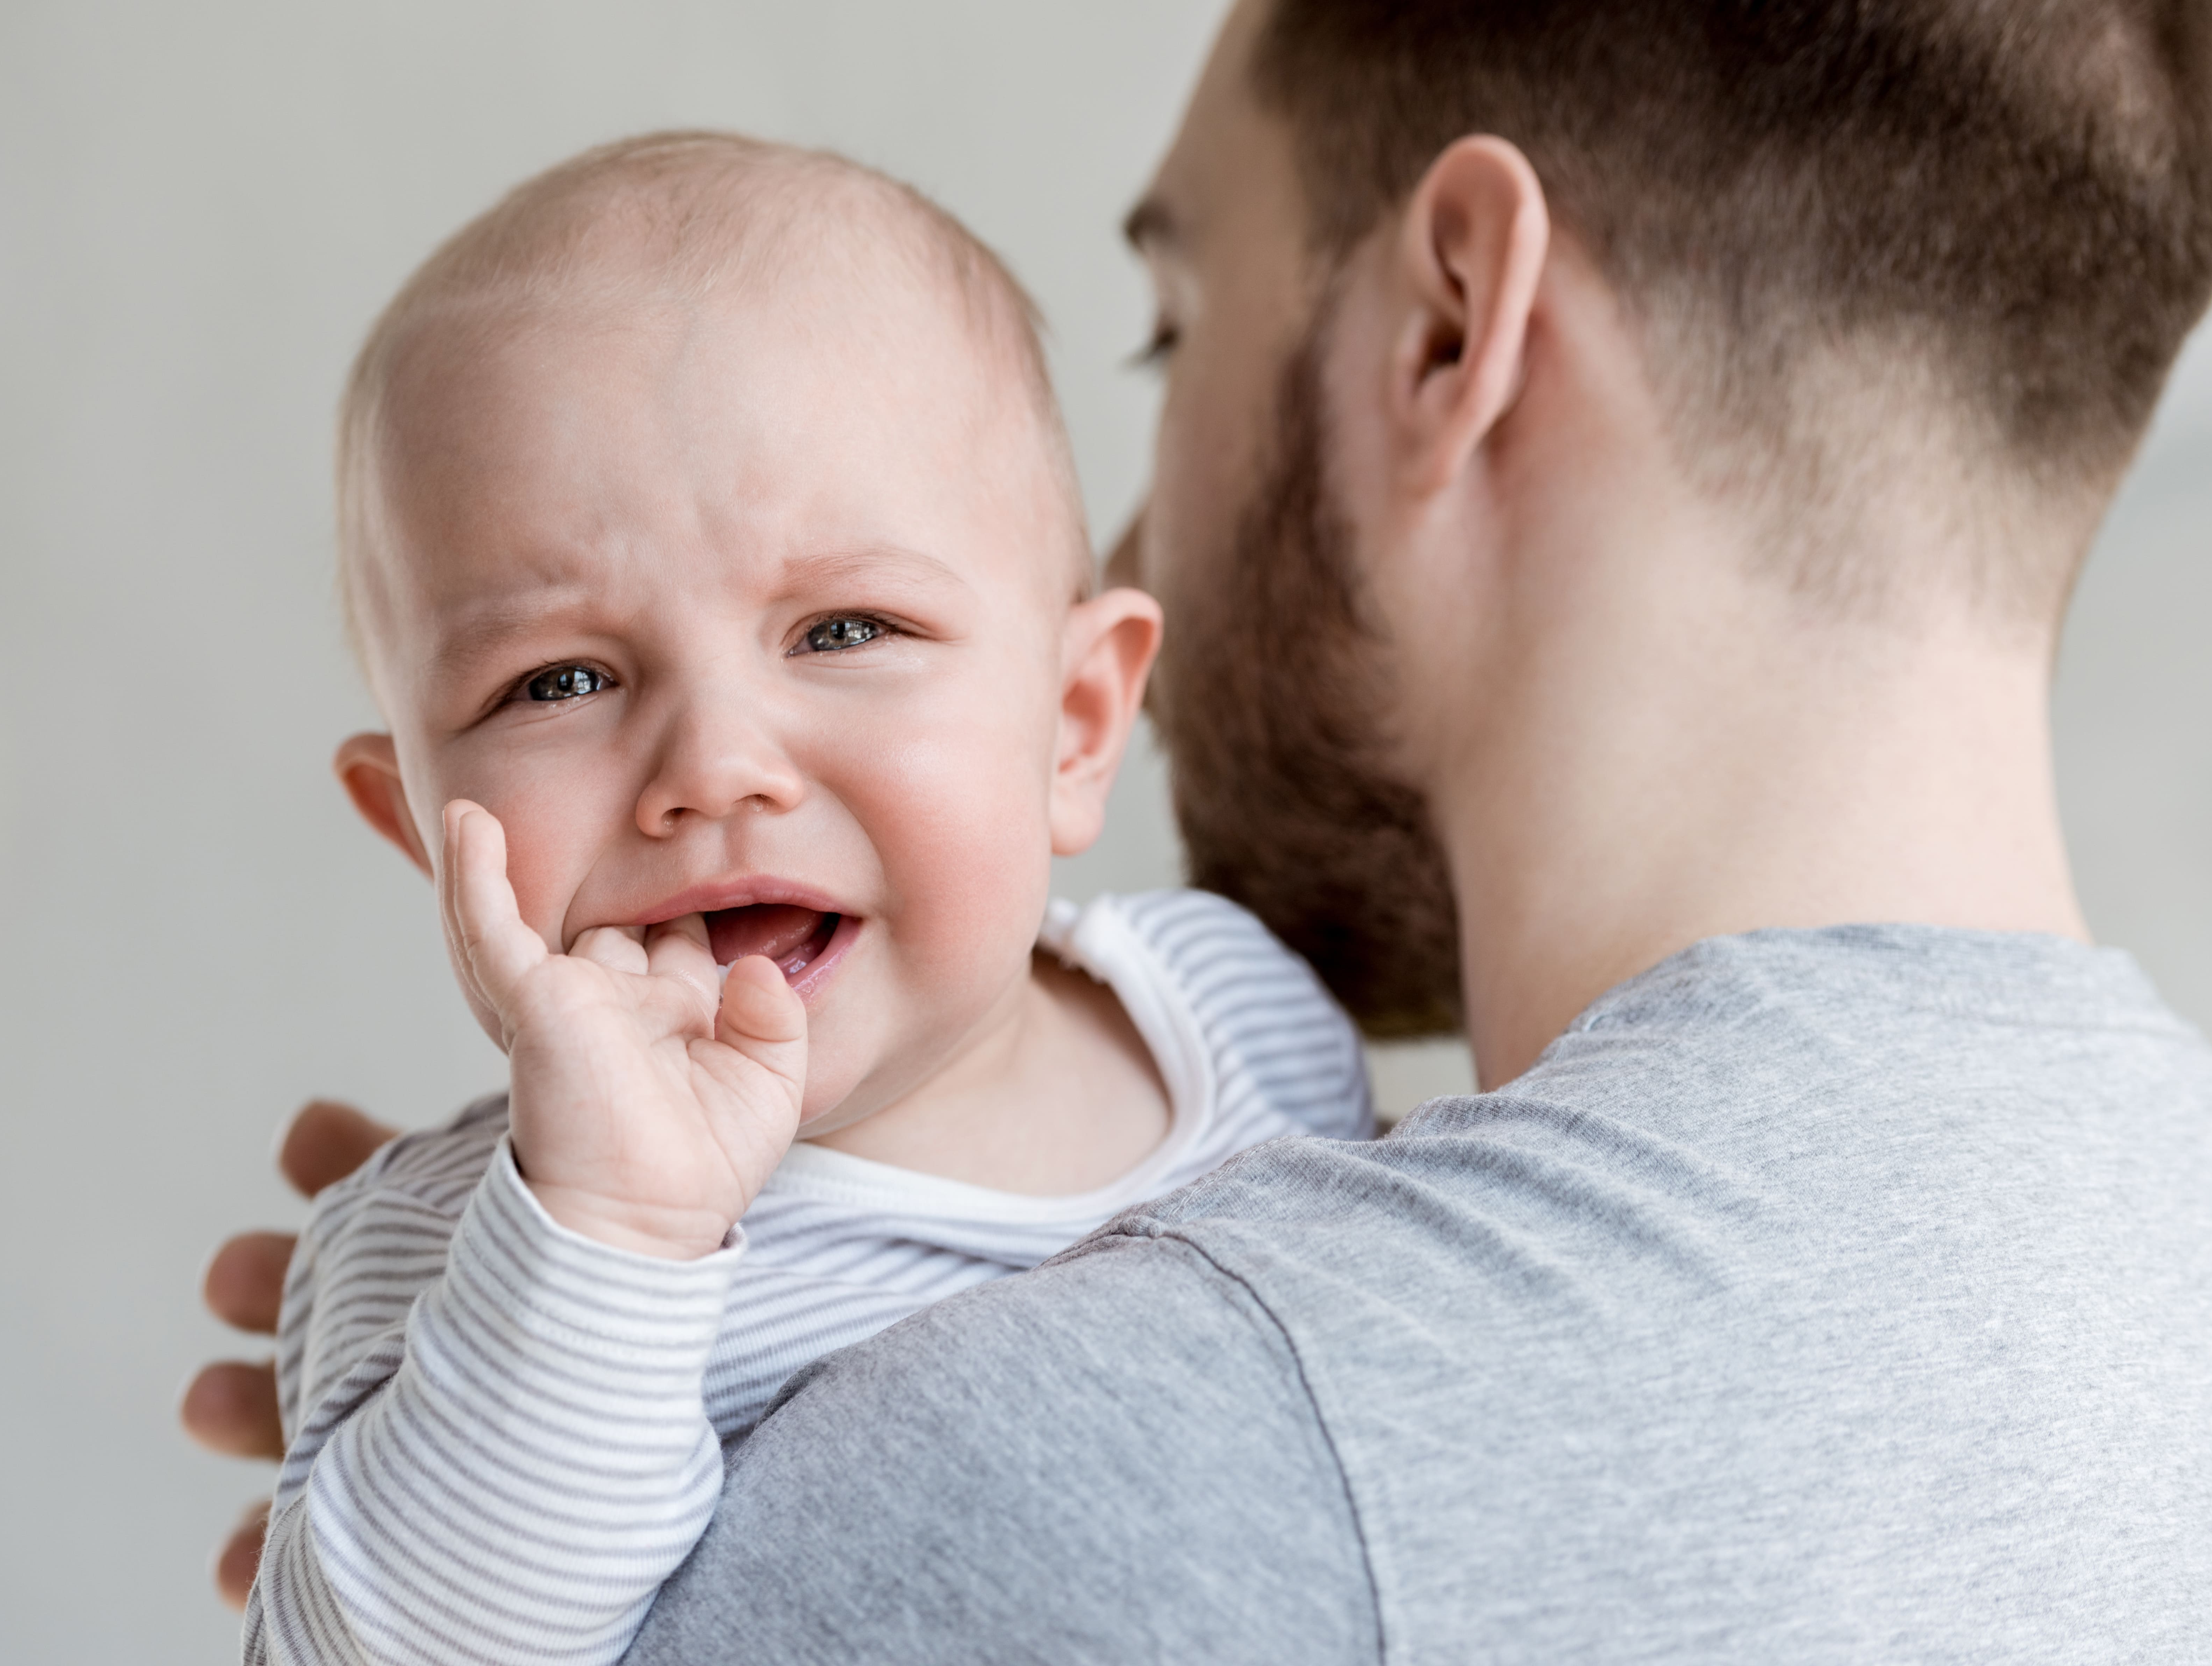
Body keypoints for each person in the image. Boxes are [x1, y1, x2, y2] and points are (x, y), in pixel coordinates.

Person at [189, 0, 2212, 1656]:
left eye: (1169, 324)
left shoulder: (1133, 1464)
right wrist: (538, 1319)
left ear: (1449, 326)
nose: (1142, 527)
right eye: (562, 680)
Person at [239, 132, 1371, 1666]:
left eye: (843, 628)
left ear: (1075, 724)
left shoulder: (1240, 1013)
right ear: (422, 836)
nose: (714, 766)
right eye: (557, 680)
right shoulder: (459, 1252)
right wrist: (611, 1236)